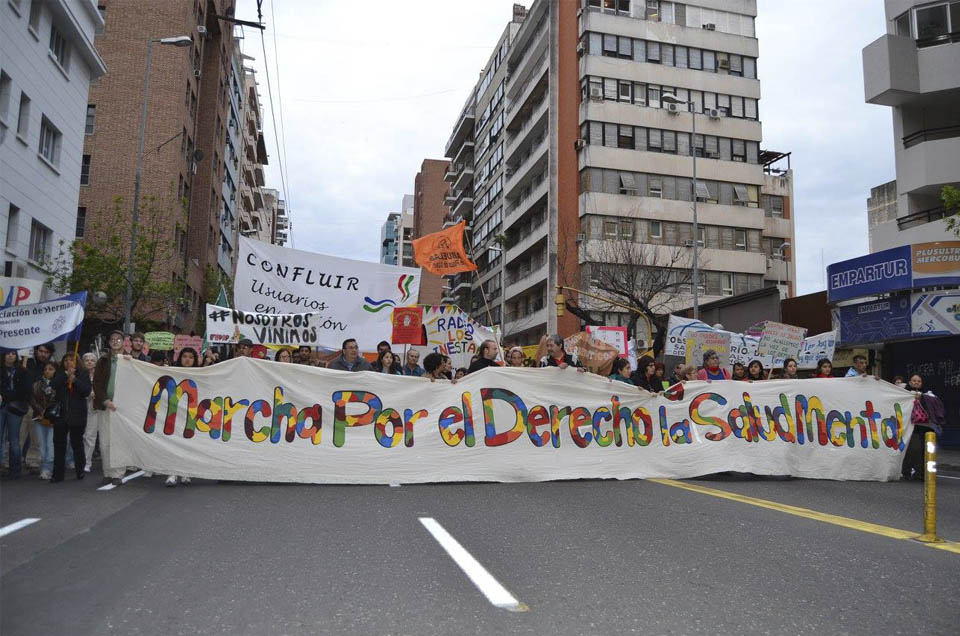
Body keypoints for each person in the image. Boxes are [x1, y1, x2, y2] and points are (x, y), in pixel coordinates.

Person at [93, 330, 127, 486]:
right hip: (105, 406)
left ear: (123, 342)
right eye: (112, 339)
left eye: (118, 339)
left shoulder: (129, 360)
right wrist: (105, 400)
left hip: (122, 407)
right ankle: (107, 472)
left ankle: (118, 473)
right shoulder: (102, 362)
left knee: (119, 441)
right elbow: (97, 384)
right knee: (105, 442)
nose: (115, 342)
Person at [52, 353, 90, 482]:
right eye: (66, 360)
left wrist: (75, 381)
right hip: (61, 415)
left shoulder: (83, 373)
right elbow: (53, 384)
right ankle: (58, 474)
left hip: (77, 414)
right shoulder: (60, 373)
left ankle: (80, 470)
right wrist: (65, 375)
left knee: (77, 444)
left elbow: (86, 391)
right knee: (59, 445)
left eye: (71, 360)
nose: (69, 362)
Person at [902, 374, 946, 480]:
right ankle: (906, 472)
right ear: (909, 382)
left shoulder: (928, 395)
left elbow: (936, 406)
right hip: (911, 427)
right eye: (914, 381)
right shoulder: (903, 394)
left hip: (926, 428)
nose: (916, 382)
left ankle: (921, 473)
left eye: (919, 381)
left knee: (925, 451)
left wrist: (922, 397)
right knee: (912, 450)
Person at [1, 349, 31, 479]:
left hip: (16, 406)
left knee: (14, 439)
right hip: (1, 406)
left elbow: (26, 389)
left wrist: (7, 396)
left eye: (13, 353)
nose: (10, 356)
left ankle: (15, 469)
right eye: (8, 353)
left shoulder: (22, 371)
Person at [29, 361, 61, 480]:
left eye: (51, 369)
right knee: (41, 445)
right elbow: (32, 399)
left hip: (53, 419)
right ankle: (43, 467)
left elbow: (58, 400)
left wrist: (47, 412)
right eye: (46, 369)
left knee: (50, 444)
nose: (48, 371)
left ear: (55, 371)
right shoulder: (36, 384)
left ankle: (48, 468)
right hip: (39, 418)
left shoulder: (59, 384)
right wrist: (40, 411)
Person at [80, 352, 99, 473]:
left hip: (94, 409)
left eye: (92, 360)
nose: (89, 362)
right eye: (86, 360)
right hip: (79, 407)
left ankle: (87, 462)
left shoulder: (100, 376)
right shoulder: (79, 375)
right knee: (79, 435)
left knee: (89, 436)